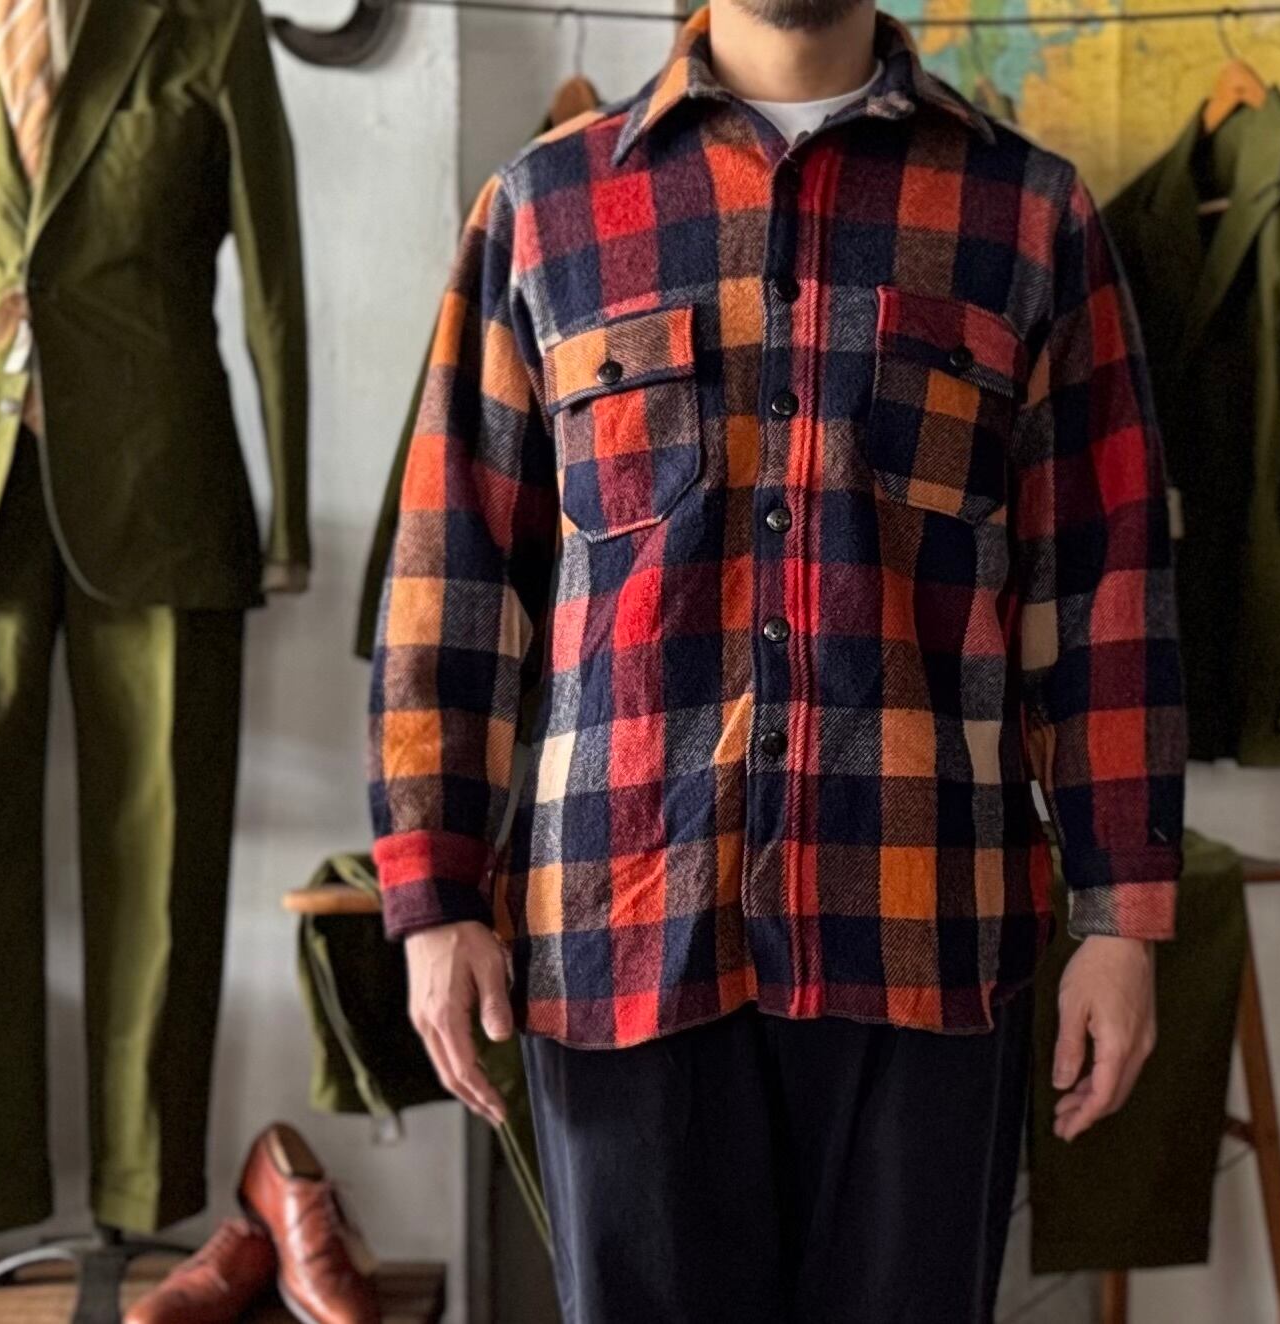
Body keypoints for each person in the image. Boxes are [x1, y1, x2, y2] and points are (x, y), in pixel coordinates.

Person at [368, 0, 1186, 1317]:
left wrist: (1122, 917)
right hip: (625, 928)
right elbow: (451, 575)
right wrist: (432, 895)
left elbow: (1101, 587)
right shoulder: (544, 209)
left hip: (925, 928)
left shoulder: (1029, 215)